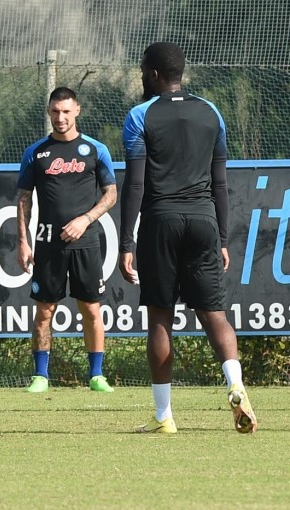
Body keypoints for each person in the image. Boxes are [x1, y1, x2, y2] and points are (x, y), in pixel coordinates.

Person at [119, 41, 257, 434]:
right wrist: (224, 240)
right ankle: (235, 384)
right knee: (214, 313)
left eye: (144, 70)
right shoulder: (211, 112)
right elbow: (220, 183)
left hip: (161, 220)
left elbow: (135, 185)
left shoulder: (139, 116)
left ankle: (164, 417)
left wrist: (127, 243)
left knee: (160, 317)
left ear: (154, 74)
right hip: (203, 220)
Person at [16, 87, 117, 394]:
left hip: (86, 244)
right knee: (44, 310)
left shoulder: (95, 150)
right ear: (49, 112)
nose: (60, 118)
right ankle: (40, 375)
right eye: (55, 112)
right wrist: (23, 241)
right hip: (48, 245)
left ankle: (97, 375)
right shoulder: (36, 152)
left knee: (90, 309)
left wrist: (85, 219)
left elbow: (111, 194)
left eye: (66, 111)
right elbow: (23, 199)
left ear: (77, 111)